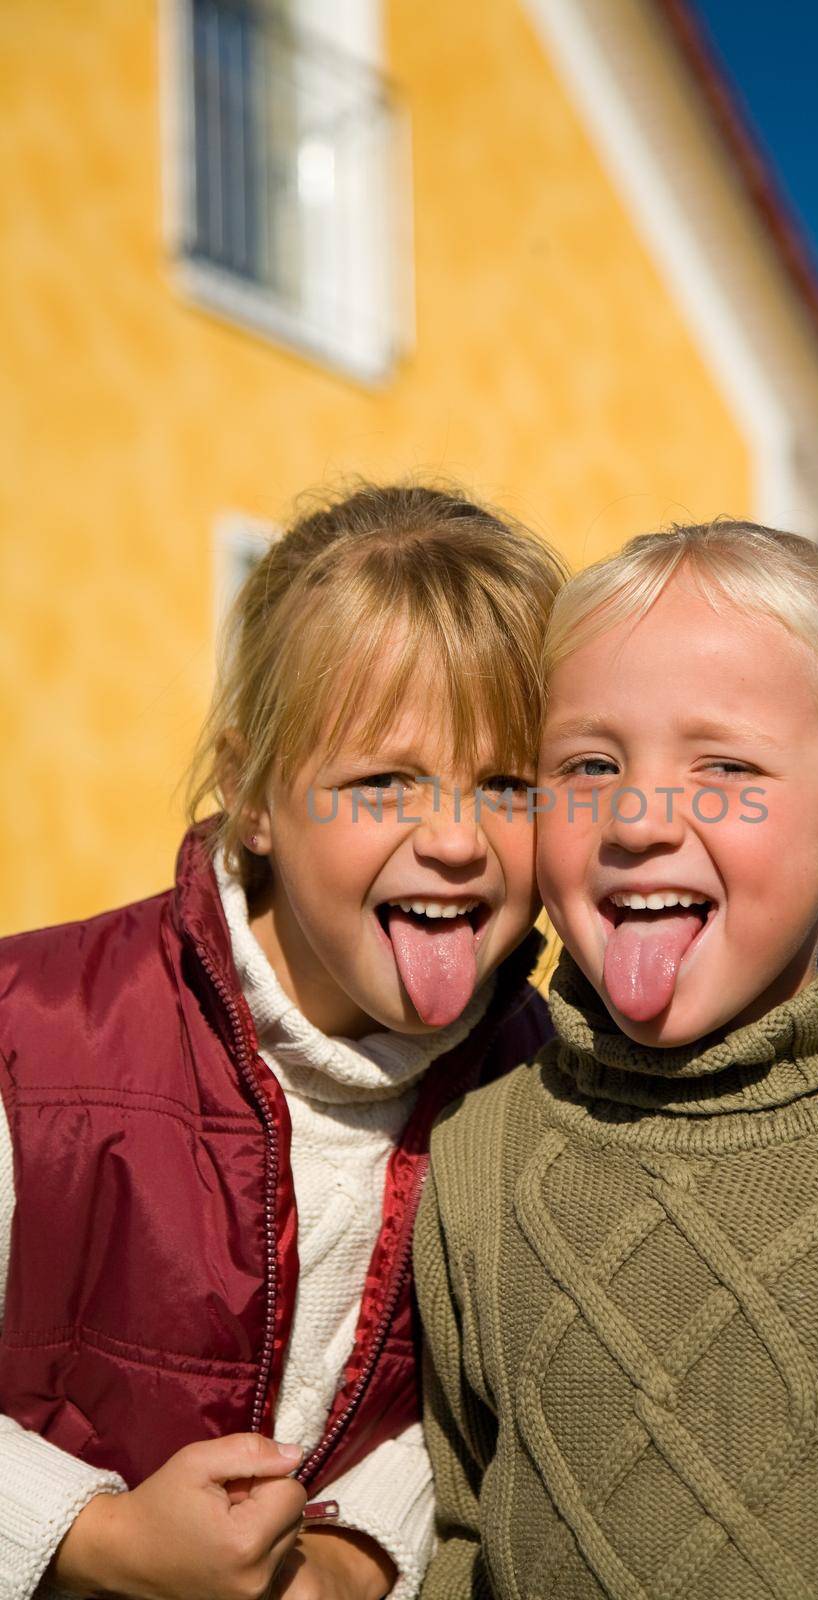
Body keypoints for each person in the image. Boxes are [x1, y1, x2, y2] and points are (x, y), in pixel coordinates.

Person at [414, 518, 818, 1599]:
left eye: (722, 765)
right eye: (587, 763)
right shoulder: (478, 1161)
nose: (634, 816)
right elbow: (466, 1536)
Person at [0, 483, 567, 1600]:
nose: (453, 839)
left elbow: (521, 1393)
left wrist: (357, 1558)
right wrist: (92, 1539)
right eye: (382, 781)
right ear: (251, 792)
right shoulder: (32, 1034)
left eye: (508, 782)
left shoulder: (553, 1090)